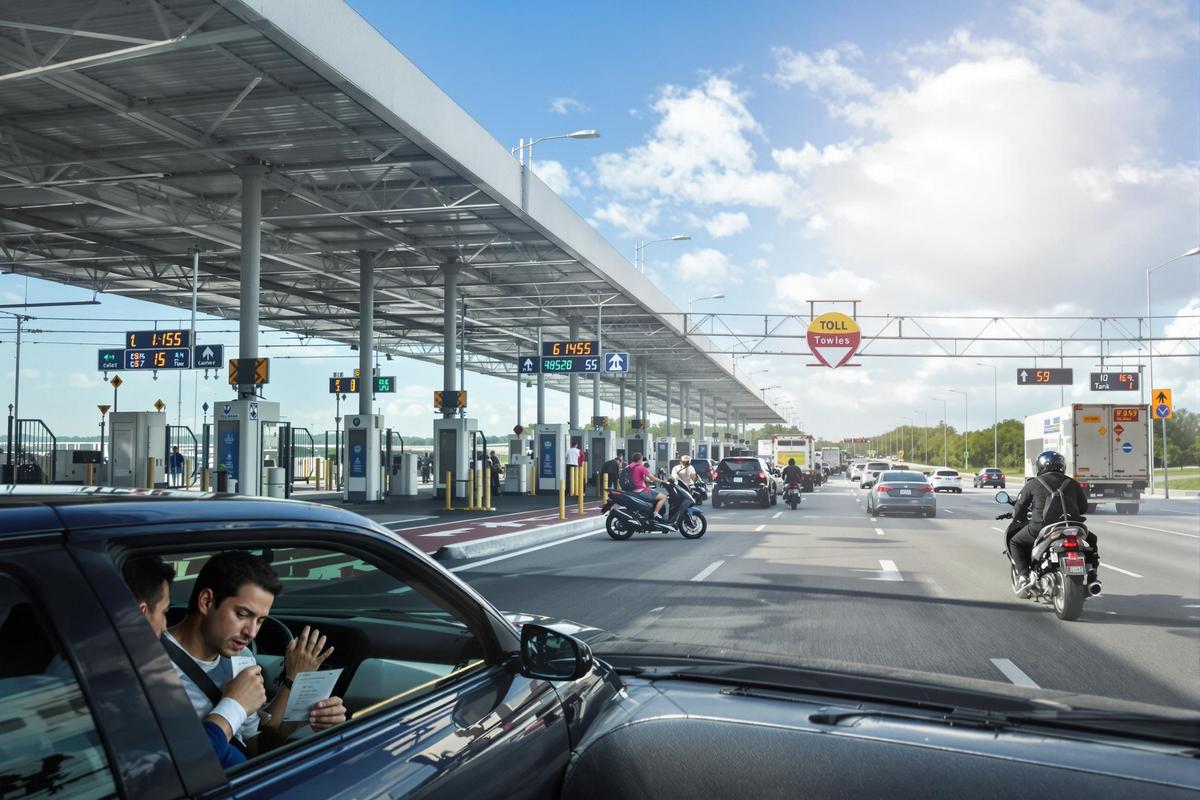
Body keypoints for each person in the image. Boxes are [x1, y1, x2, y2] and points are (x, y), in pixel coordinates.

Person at [164, 551, 346, 760]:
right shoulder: (152, 664)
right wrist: (234, 704)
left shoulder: (243, 658)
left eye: (260, 621)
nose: (251, 632)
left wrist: (298, 688)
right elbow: (177, 767)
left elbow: (257, 748)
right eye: (242, 614)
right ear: (206, 601)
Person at [119, 556, 249, 768]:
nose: (164, 627)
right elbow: (186, 761)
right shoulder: (128, 682)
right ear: (140, 614)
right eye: (164, 613)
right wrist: (234, 706)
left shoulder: (101, 667)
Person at [1006, 451, 1092, 595]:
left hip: (1042, 527)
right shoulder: (1072, 483)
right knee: (1091, 544)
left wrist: (1018, 517)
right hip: (1073, 525)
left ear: (1040, 466)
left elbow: (1019, 508)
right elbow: (1083, 508)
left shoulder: (1033, 483)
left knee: (1015, 542)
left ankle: (1023, 577)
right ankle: (1093, 575)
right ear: (1062, 466)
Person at [628, 451, 669, 519]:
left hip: (630, 490)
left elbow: (644, 478)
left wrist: (650, 481)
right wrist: (663, 481)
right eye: (641, 459)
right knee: (663, 497)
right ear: (640, 459)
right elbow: (651, 477)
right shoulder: (640, 467)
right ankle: (656, 513)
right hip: (640, 490)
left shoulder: (628, 466)